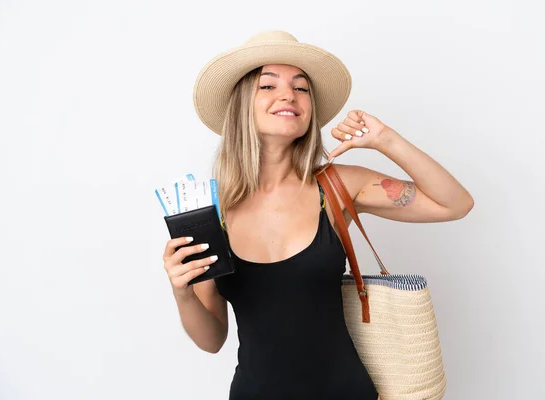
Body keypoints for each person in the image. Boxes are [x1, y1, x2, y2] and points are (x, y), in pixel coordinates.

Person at [162, 30, 474, 400]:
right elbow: (212, 340)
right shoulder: (212, 214)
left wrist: (385, 139)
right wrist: (181, 292)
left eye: (301, 87)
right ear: (242, 104)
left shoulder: (337, 187)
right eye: (267, 85)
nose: (288, 95)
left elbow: (455, 203)